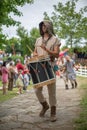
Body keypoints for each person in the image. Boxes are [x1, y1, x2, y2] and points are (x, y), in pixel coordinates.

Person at [33, 20, 61, 122]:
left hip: (50, 66)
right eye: (42, 26)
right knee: (37, 90)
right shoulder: (38, 40)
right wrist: (35, 55)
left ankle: (53, 113)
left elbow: (57, 54)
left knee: (51, 92)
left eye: (45, 26)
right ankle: (45, 105)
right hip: (39, 67)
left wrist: (46, 50)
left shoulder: (55, 39)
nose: (43, 27)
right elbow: (35, 53)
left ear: (49, 26)